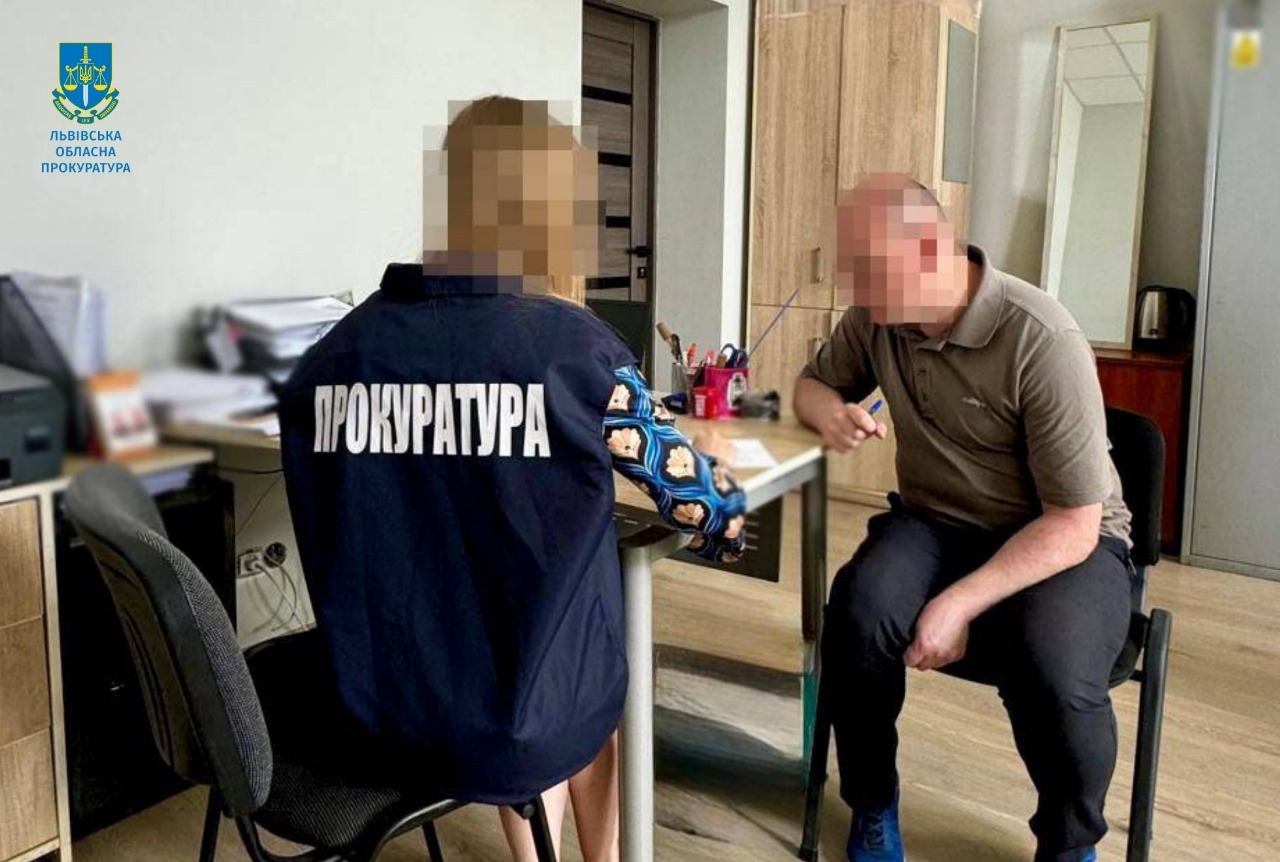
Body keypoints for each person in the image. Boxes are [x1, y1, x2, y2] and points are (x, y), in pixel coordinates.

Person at [278, 96, 746, 862]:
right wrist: (719, 483)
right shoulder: (576, 351)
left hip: (375, 710)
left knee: (507, 618)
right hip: (520, 721)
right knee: (575, 629)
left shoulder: (331, 357)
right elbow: (708, 508)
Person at [794, 173, 1132, 862]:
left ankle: (1070, 843)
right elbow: (812, 384)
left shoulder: (1041, 337)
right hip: (934, 521)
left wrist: (957, 603)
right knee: (859, 615)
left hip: (1060, 535)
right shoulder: (877, 315)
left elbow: (1074, 522)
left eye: (869, 270)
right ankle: (873, 803)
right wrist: (830, 412)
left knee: (1055, 666)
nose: (856, 289)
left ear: (930, 252)